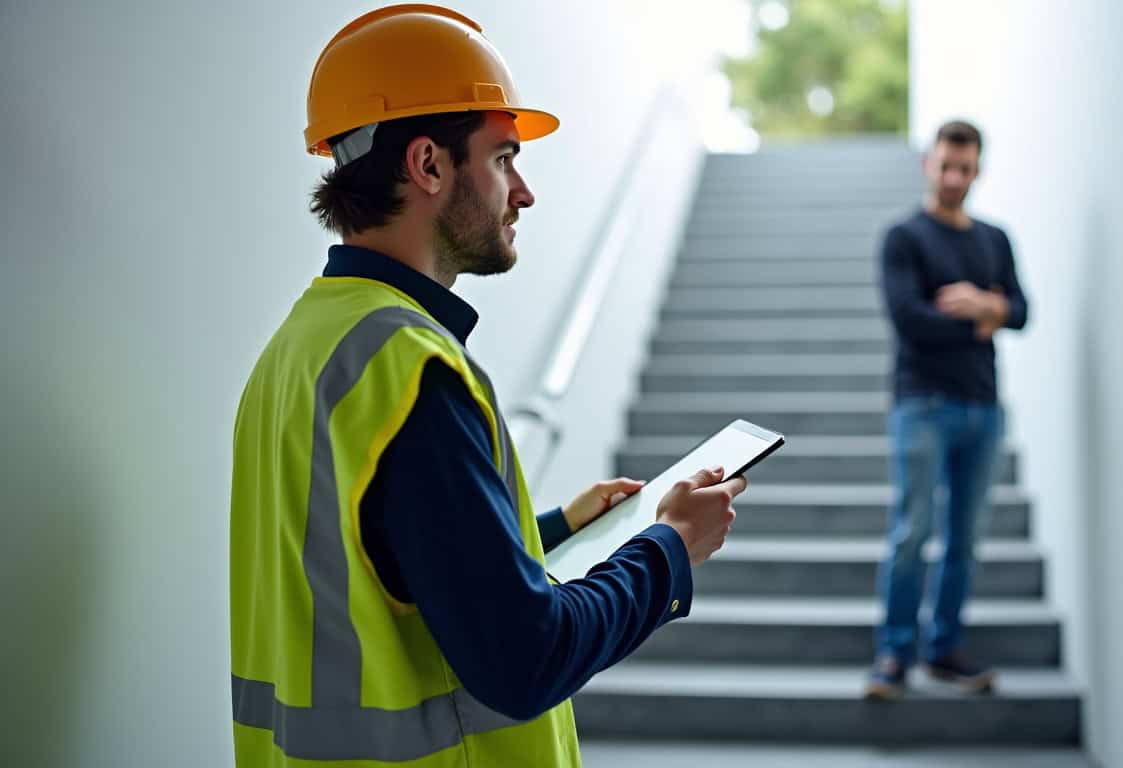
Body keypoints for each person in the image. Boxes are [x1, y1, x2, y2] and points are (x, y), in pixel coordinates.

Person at [229, 6, 745, 766]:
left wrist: (556, 531)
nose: (524, 191)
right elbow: (526, 658)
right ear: (430, 165)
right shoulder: (411, 370)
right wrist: (669, 550)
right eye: (503, 158)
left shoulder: (301, 347)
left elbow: (388, 569)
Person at [865, 120, 1029, 699]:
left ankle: (945, 651)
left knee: (965, 538)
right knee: (912, 532)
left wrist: (982, 303)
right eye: (945, 166)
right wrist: (985, 317)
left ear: (977, 169)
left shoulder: (994, 239)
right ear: (927, 165)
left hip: (983, 409)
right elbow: (910, 321)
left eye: (966, 168)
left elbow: (1022, 311)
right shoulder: (903, 238)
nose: (955, 177)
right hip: (922, 403)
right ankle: (893, 653)